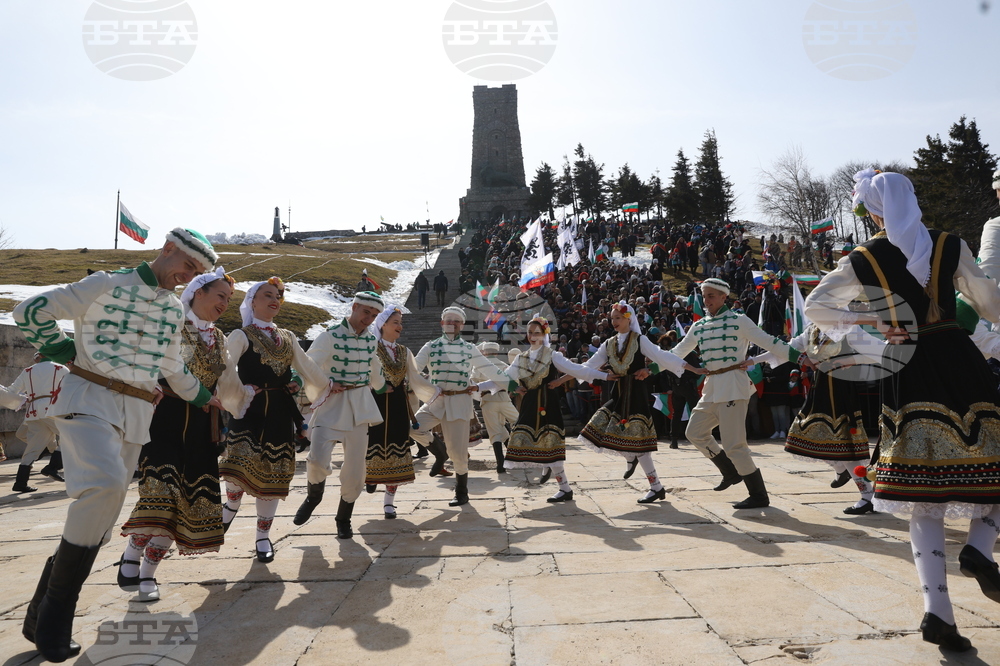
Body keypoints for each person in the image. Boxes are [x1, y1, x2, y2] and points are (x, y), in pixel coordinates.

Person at [805, 169, 1000, 652]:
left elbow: (817, 307)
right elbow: (991, 303)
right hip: (960, 359)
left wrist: (874, 317)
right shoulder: (948, 244)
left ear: (871, 211)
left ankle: (939, 615)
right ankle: (978, 550)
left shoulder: (863, 258)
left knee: (922, 493)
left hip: (908, 365)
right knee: (993, 464)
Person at [12, 227, 220, 662]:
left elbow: (172, 367)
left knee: (101, 524)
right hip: (88, 399)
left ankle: (38, 612)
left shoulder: (169, 310)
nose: (188, 277)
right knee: (104, 486)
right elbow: (30, 311)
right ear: (166, 250)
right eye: (187, 266)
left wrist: (204, 396)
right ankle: (56, 617)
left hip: (137, 415)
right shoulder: (105, 284)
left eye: (197, 272)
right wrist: (63, 347)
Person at [117, 268, 245, 602]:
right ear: (198, 293)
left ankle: (148, 572)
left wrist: (249, 400)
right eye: (220, 295)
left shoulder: (218, 338)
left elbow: (228, 382)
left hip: (203, 429)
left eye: (229, 299)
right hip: (164, 421)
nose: (225, 303)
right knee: (161, 494)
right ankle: (133, 550)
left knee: (187, 502)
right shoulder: (169, 325)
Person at [218, 277, 327, 563]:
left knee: (271, 477)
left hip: (279, 414)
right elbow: (225, 369)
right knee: (237, 468)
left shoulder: (288, 337)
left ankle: (263, 537)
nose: (274, 299)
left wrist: (328, 385)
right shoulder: (242, 335)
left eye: (277, 295)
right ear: (252, 301)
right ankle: (229, 508)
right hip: (249, 413)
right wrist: (240, 392)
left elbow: (308, 367)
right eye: (266, 294)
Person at [670, 278, 801, 509]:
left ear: (724, 297)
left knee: (734, 445)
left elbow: (770, 342)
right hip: (711, 386)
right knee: (695, 432)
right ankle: (730, 472)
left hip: (733, 383)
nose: (706, 300)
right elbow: (677, 352)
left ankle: (759, 495)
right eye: (704, 295)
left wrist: (799, 358)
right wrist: (649, 367)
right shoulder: (698, 326)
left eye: (711, 295)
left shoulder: (739, 320)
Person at [292, 291, 386, 539]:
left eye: (374, 316)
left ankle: (343, 518)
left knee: (355, 470)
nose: (368, 319)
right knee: (316, 459)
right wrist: (297, 378)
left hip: (360, 407)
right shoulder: (330, 335)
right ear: (354, 307)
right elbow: (309, 362)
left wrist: (384, 384)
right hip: (332, 404)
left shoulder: (371, 341)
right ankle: (313, 497)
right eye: (366, 312)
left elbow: (375, 368)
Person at [580, 302, 693, 504]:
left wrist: (688, 367)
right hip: (618, 394)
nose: (613, 321)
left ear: (628, 319)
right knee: (597, 429)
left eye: (617, 318)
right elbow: (589, 366)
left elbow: (661, 356)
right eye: (612, 318)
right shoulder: (609, 344)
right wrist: (568, 373)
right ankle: (631, 459)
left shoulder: (640, 340)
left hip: (637, 395)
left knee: (639, 444)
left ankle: (655, 485)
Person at [505, 316, 611, 501]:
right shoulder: (521, 358)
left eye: (536, 333)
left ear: (544, 334)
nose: (532, 336)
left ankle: (564, 488)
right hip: (530, 406)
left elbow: (577, 369)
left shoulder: (552, 355)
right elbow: (503, 376)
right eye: (530, 332)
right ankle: (558, 480)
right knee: (530, 442)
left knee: (551, 445)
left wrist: (603, 376)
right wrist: (481, 386)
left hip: (548, 406)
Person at [410, 307, 505, 506]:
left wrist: (509, 382)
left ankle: (461, 492)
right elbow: (414, 369)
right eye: (448, 320)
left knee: (459, 453)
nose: (452, 324)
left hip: (460, 403)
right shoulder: (431, 346)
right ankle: (439, 452)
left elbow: (490, 369)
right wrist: (426, 388)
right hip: (436, 401)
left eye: (456, 321)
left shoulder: (469, 348)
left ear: (462, 325)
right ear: (441, 323)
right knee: (412, 427)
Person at [364, 306, 437, 518]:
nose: (399, 326)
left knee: (397, 451)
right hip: (374, 405)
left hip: (397, 406)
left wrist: (436, 391)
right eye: (395, 322)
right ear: (383, 324)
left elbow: (415, 377)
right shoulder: (369, 348)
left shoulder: (405, 352)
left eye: (400, 322)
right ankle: (370, 477)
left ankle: (389, 503)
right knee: (372, 446)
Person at [0, 355, 69, 492]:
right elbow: (73, 387)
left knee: (32, 449)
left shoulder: (28, 371)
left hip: (33, 413)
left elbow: (12, 391)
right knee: (71, 436)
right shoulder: (60, 368)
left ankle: (20, 483)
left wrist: (21, 399)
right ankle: (53, 467)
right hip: (52, 409)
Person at [473, 341, 519, 475]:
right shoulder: (504, 365)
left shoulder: (479, 366)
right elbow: (513, 382)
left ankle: (501, 464)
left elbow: (473, 382)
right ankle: (515, 456)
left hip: (488, 401)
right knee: (516, 424)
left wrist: (478, 394)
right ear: (497, 352)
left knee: (495, 432)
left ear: (484, 352)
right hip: (505, 399)